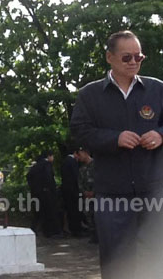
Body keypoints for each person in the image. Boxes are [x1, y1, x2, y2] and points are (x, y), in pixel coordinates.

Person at [70, 30, 163, 278]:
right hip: (112, 194)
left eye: (138, 56)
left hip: (154, 190)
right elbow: (79, 132)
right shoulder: (90, 95)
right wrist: (115, 138)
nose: (134, 62)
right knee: (116, 260)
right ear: (109, 57)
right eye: (126, 57)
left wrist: (161, 134)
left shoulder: (157, 90)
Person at [26, 151, 62, 238]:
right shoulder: (47, 165)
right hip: (46, 193)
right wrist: (52, 189)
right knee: (48, 212)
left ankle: (34, 229)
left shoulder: (35, 166)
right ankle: (50, 232)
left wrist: (34, 188)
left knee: (38, 212)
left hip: (36, 192)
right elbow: (49, 178)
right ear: (49, 156)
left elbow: (28, 176)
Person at [61, 147, 88, 237]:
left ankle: (74, 229)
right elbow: (76, 177)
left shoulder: (65, 161)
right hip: (73, 191)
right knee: (75, 211)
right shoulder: (72, 162)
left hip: (67, 190)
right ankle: (76, 230)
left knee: (71, 210)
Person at [77, 149, 97, 243]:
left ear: (86, 153)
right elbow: (79, 183)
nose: (79, 157)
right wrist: (84, 192)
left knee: (98, 215)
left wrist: (94, 192)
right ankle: (93, 235)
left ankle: (100, 235)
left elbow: (101, 180)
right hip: (87, 197)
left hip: (97, 196)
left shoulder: (97, 165)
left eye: (80, 154)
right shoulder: (81, 169)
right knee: (88, 215)